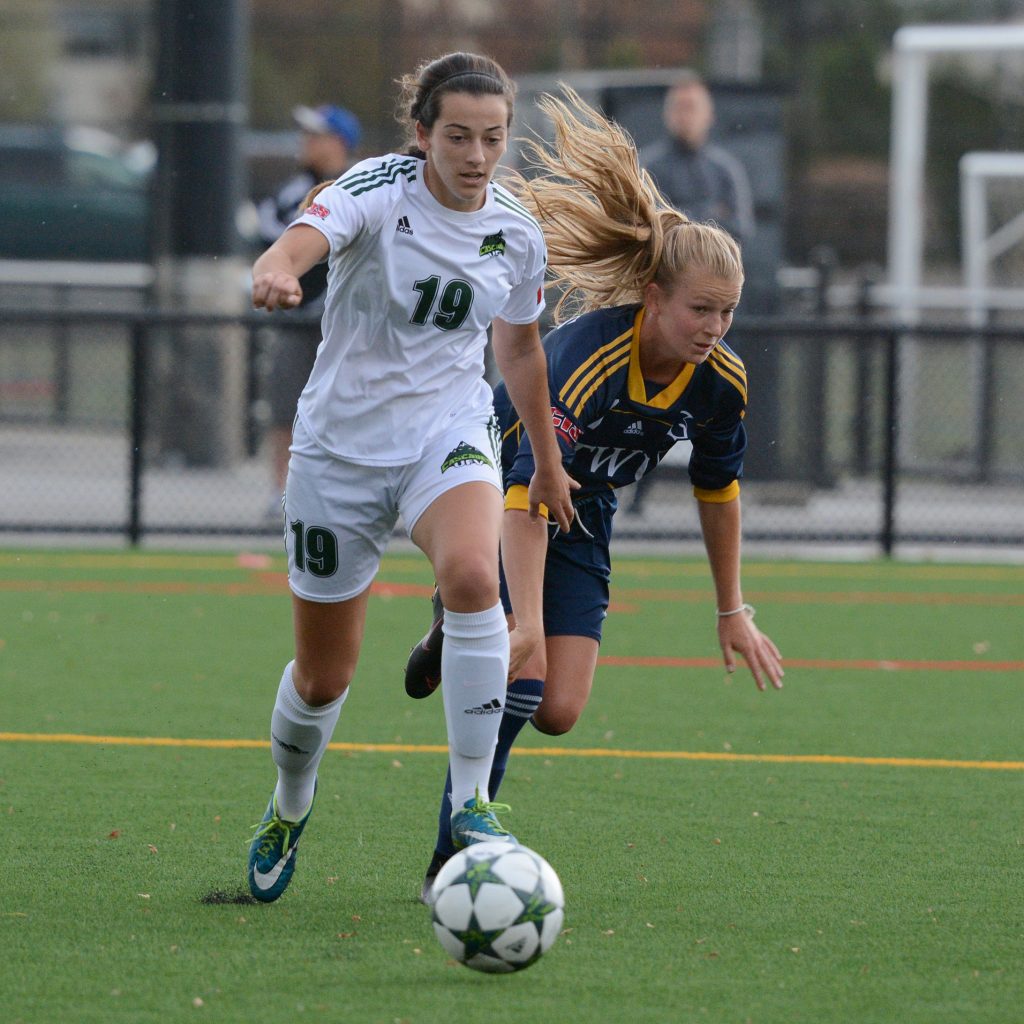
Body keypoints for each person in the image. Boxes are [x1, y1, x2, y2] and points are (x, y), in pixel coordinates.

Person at [405, 88, 784, 902]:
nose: (716, 326)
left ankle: (453, 618)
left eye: (728, 312)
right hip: (505, 483)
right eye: (700, 310)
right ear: (654, 299)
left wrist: (731, 607)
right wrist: (531, 621)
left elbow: (718, 491)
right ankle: (453, 856)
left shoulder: (720, 381)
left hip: (587, 509)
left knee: (562, 711)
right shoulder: (587, 363)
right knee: (524, 677)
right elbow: (530, 491)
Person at [245, 52, 576, 904]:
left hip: (448, 431)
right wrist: (281, 268)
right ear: (423, 134)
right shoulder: (377, 187)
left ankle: (472, 803)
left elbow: (519, 347)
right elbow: (304, 237)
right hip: (340, 452)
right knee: (324, 679)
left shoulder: (515, 231)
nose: (476, 155)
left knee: (472, 575)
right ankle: (289, 805)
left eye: (493, 138)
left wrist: (544, 460)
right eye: (458, 136)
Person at [629, 71, 755, 515]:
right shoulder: (649, 167)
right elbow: (644, 230)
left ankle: (718, 483)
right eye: (678, 107)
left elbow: (737, 235)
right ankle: (633, 488)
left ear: (709, 114)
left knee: (714, 401)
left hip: (695, 319)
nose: (686, 117)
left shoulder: (725, 170)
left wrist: (689, 229)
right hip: (659, 324)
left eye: (693, 107)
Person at [256, 103, 362, 518]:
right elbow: (274, 237)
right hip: (299, 322)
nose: (307, 143)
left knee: (355, 408)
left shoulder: (362, 186)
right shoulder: (290, 192)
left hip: (353, 324)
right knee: (287, 406)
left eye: (316, 135)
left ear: (340, 144)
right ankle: (281, 492)